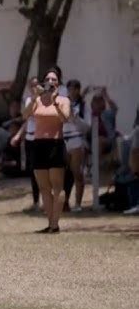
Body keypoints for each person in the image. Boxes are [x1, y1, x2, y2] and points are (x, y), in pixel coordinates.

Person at [23, 68, 71, 233]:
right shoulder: (37, 100)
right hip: (38, 145)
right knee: (44, 187)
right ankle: (50, 223)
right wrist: (35, 97)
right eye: (48, 79)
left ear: (58, 83)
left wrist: (55, 101)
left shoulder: (64, 100)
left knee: (57, 186)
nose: (51, 82)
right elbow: (25, 115)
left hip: (55, 144)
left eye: (54, 79)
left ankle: (55, 223)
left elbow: (65, 118)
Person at [11, 76, 41, 211]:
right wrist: (18, 135)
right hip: (29, 138)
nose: (34, 88)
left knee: (42, 170)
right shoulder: (30, 100)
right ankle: (36, 201)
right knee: (32, 170)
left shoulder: (45, 101)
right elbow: (26, 117)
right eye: (32, 86)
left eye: (36, 85)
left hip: (41, 138)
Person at [63, 79, 91, 212]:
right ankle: (64, 202)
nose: (72, 92)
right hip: (63, 140)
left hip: (77, 139)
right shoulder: (62, 103)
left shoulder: (84, 106)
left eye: (75, 89)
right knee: (63, 173)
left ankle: (78, 203)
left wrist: (75, 118)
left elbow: (86, 127)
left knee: (76, 172)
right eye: (70, 89)